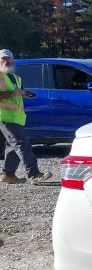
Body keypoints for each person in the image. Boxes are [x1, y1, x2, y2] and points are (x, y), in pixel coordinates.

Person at [0, 49, 51, 184]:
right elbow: (11, 93)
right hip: (4, 117)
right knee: (22, 144)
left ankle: (8, 174)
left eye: (8, 58)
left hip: (17, 118)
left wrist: (26, 93)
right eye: (3, 58)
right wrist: (12, 93)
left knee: (12, 146)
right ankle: (34, 174)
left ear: (12, 60)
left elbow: (17, 92)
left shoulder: (16, 78)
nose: (6, 61)